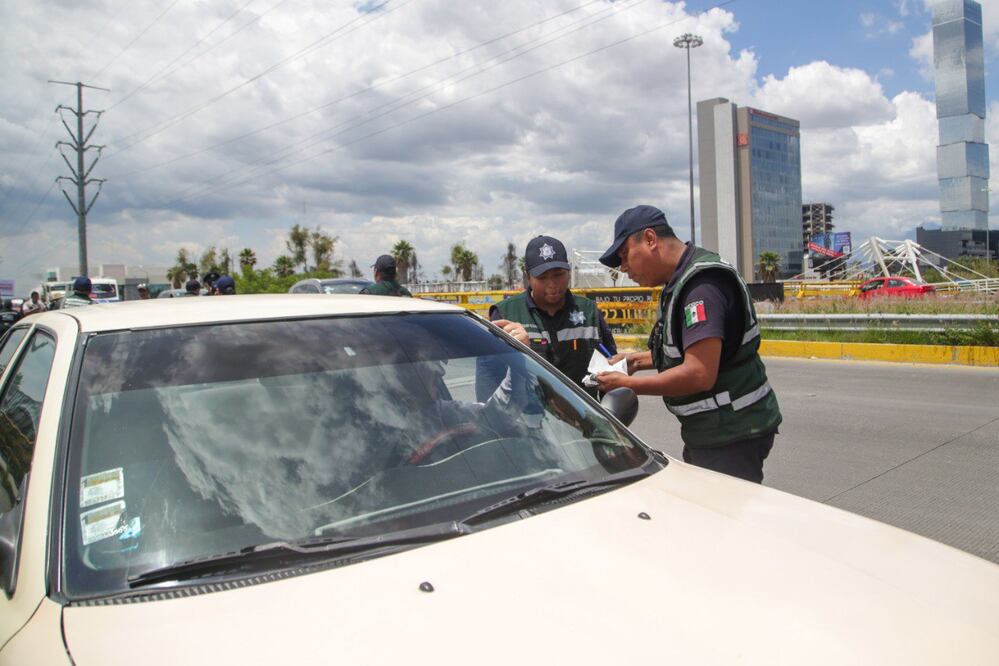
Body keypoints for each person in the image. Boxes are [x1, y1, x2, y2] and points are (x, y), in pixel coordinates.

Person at [594, 205, 781, 483]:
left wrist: (627, 385)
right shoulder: (679, 282)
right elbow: (683, 350)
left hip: (732, 434)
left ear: (649, 239)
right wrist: (635, 362)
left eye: (624, 256)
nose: (624, 268)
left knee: (722, 520)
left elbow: (699, 373)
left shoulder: (701, 288)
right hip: (713, 432)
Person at [488, 236, 616, 398]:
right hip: (526, 419)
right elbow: (489, 374)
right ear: (528, 277)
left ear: (568, 272)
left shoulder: (589, 311)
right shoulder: (505, 314)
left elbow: (611, 372)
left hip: (583, 419)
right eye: (542, 277)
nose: (552, 283)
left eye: (558, 274)